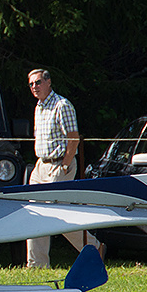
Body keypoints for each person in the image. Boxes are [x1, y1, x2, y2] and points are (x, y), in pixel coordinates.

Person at [26, 68, 102, 267]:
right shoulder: (39, 107)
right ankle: (37, 265)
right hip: (40, 166)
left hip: (59, 165)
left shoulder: (62, 105)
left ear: (48, 82)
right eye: (31, 84)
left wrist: (64, 166)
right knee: (34, 213)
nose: (35, 87)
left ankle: (94, 248)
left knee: (57, 215)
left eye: (38, 82)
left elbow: (74, 139)